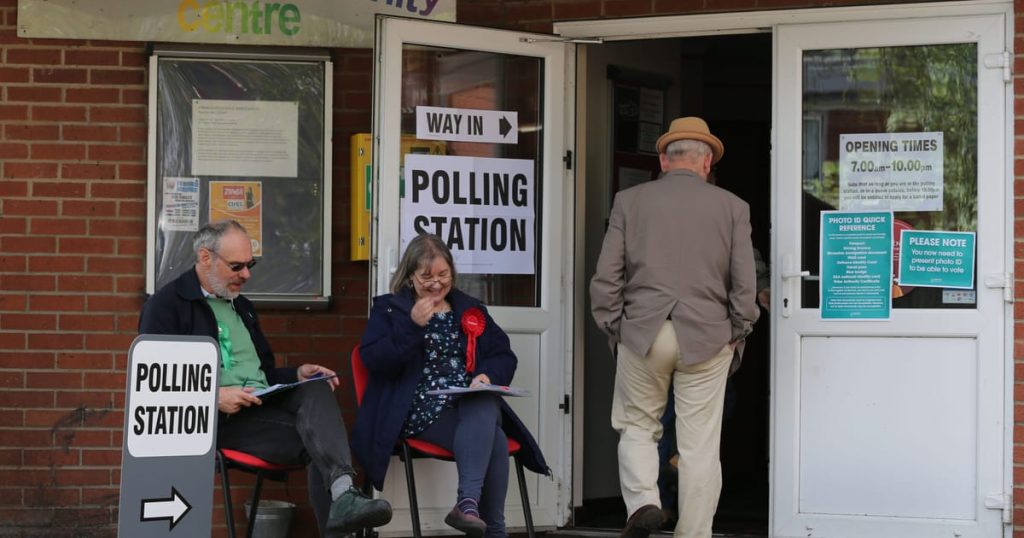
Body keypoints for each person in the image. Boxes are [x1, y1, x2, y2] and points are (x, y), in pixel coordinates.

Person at [138, 220, 392, 538]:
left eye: (250, 264)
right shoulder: (165, 306)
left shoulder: (241, 306)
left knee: (315, 387)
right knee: (321, 442)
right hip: (215, 423)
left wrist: (297, 374)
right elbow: (151, 386)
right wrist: (214, 397)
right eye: (237, 266)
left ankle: (343, 495)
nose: (247, 275)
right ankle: (344, 507)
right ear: (205, 257)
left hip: (263, 407)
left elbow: (264, 374)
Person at [590, 117, 759, 538]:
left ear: (664, 160)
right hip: (707, 336)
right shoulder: (733, 207)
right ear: (706, 164)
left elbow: (607, 277)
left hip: (644, 331)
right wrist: (738, 330)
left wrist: (616, 326)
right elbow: (745, 283)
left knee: (637, 426)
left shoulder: (629, 201)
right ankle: (693, 532)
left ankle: (644, 502)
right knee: (700, 446)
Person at [353, 233, 548, 538]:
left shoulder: (468, 308)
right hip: (418, 406)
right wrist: (412, 325)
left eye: (443, 275)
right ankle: (489, 525)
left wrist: (486, 376)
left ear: (453, 273)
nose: (435, 284)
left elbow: (502, 354)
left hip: (466, 403)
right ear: (409, 275)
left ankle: (467, 505)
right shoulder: (390, 310)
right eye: (425, 277)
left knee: (483, 398)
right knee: (494, 438)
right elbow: (375, 360)